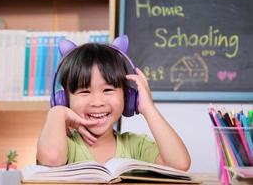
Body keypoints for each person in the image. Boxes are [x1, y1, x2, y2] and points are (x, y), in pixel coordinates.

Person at [36, 35, 191, 171]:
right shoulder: (64, 145)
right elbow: (51, 159)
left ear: (127, 96)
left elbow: (179, 164)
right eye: (85, 91)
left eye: (108, 90)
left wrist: (148, 108)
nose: (97, 102)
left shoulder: (135, 146)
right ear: (64, 99)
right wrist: (57, 112)